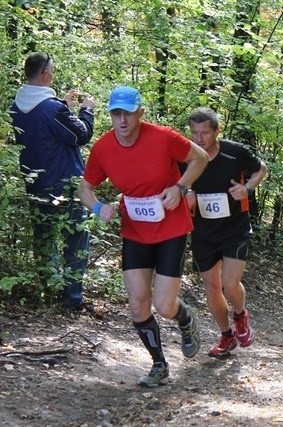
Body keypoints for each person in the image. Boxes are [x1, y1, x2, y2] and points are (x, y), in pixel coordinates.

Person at [77, 86, 208, 387]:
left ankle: (184, 318)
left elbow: (200, 158)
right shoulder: (103, 148)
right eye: (115, 113)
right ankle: (159, 365)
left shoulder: (163, 137)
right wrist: (98, 207)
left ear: (140, 113)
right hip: (135, 229)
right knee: (138, 303)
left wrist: (180, 188)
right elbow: (84, 188)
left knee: (164, 305)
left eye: (128, 113)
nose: (122, 120)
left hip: (171, 227)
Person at [10, 52, 96, 312]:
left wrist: (64, 107)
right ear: (45, 74)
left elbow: (47, 131)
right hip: (65, 184)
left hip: (36, 183)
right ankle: (72, 299)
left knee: (44, 238)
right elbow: (81, 136)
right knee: (77, 235)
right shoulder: (51, 107)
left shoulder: (16, 106)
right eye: (53, 70)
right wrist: (86, 111)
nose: (54, 74)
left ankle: (50, 291)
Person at [185, 107, 267, 358]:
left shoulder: (234, 152)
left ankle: (241, 316)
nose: (199, 139)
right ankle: (226, 336)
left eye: (205, 133)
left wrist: (248, 188)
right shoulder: (185, 155)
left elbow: (261, 168)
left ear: (217, 131)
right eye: (195, 133)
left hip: (235, 228)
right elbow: (178, 185)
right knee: (212, 287)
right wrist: (186, 195)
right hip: (204, 231)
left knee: (230, 284)